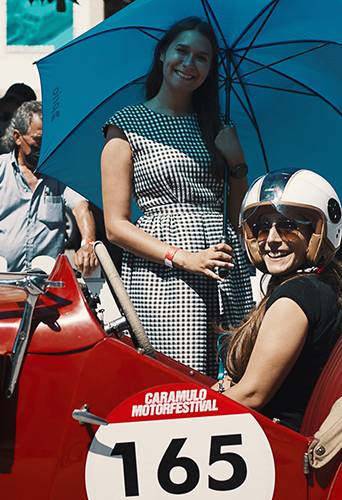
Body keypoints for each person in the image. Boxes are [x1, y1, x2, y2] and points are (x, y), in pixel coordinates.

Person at [101, 17, 255, 377]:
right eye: (181, 51)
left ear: (211, 68)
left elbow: (237, 216)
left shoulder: (217, 125)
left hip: (223, 265)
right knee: (177, 382)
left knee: (233, 378)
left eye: (202, 57)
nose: (189, 64)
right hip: (165, 275)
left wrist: (237, 162)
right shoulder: (125, 125)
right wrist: (184, 258)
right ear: (162, 54)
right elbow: (115, 227)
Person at [217, 169, 342, 432]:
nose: (271, 240)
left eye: (288, 227)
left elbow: (251, 394)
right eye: (261, 228)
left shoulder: (295, 297)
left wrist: (180, 417)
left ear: (317, 232)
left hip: (271, 438)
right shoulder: (319, 286)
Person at [0, 101, 98, 277]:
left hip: (46, 282)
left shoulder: (60, 174)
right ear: (18, 137)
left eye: (49, 139)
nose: (44, 146)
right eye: (38, 140)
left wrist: (88, 243)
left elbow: (82, 208)